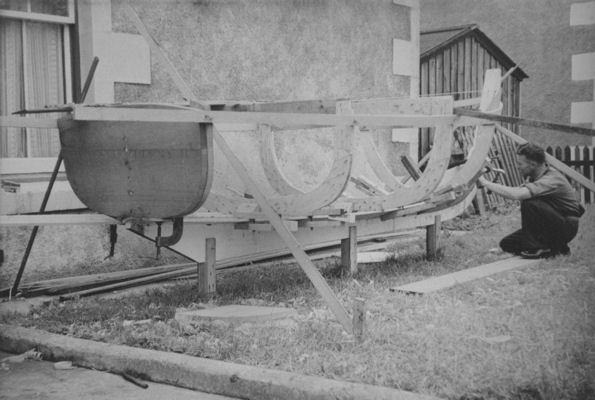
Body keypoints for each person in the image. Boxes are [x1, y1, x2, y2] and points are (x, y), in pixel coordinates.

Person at [478, 142, 584, 259]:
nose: (517, 167)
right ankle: (558, 249)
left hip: (566, 226)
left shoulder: (551, 179)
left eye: (520, 164)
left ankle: (536, 248)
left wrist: (485, 182)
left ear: (533, 164)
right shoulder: (535, 177)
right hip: (552, 224)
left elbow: (517, 194)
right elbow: (516, 190)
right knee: (507, 244)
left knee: (530, 203)